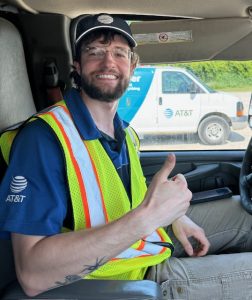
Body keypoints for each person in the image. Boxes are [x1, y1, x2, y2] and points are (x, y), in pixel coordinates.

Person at [0, 13, 252, 300]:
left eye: (119, 53)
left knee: (244, 215)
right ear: (77, 66)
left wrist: (174, 217)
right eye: (94, 52)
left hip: (140, 251)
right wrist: (150, 217)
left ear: (133, 66)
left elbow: (121, 202)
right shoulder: (42, 140)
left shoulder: (124, 132)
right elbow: (32, 275)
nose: (108, 63)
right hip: (121, 285)